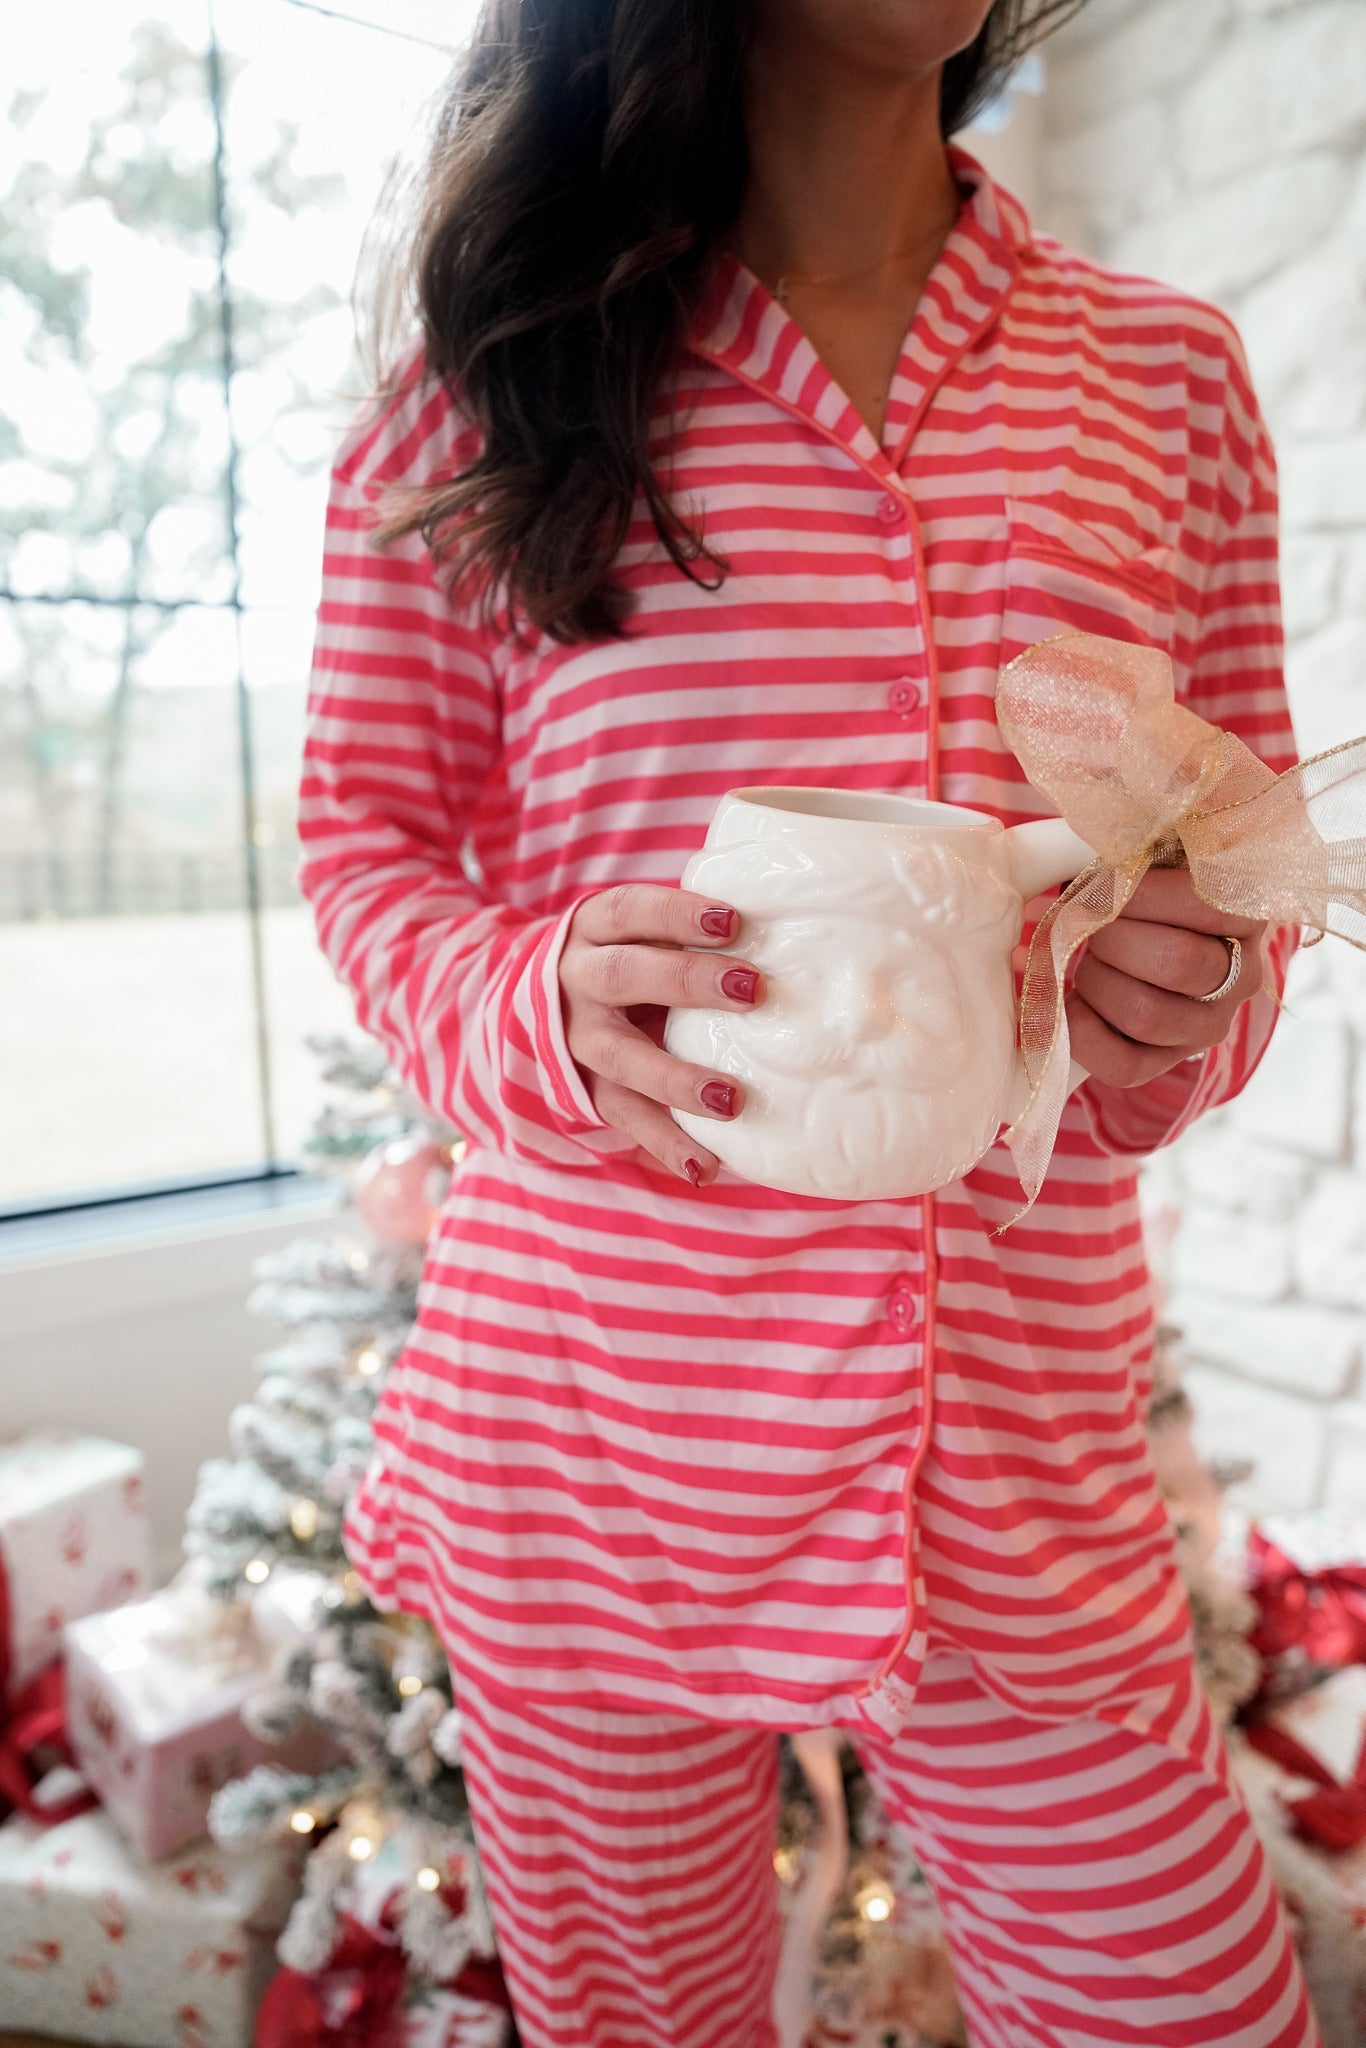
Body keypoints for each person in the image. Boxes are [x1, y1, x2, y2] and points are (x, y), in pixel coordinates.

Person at [299, 1, 1319, 2042]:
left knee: (1186, 1996)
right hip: (592, 1447)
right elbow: (364, 850)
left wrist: (1178, 993)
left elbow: (1245, 861)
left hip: (1019, 1477)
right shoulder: (480, 390)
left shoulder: (1158, 381)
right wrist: (540, 998)